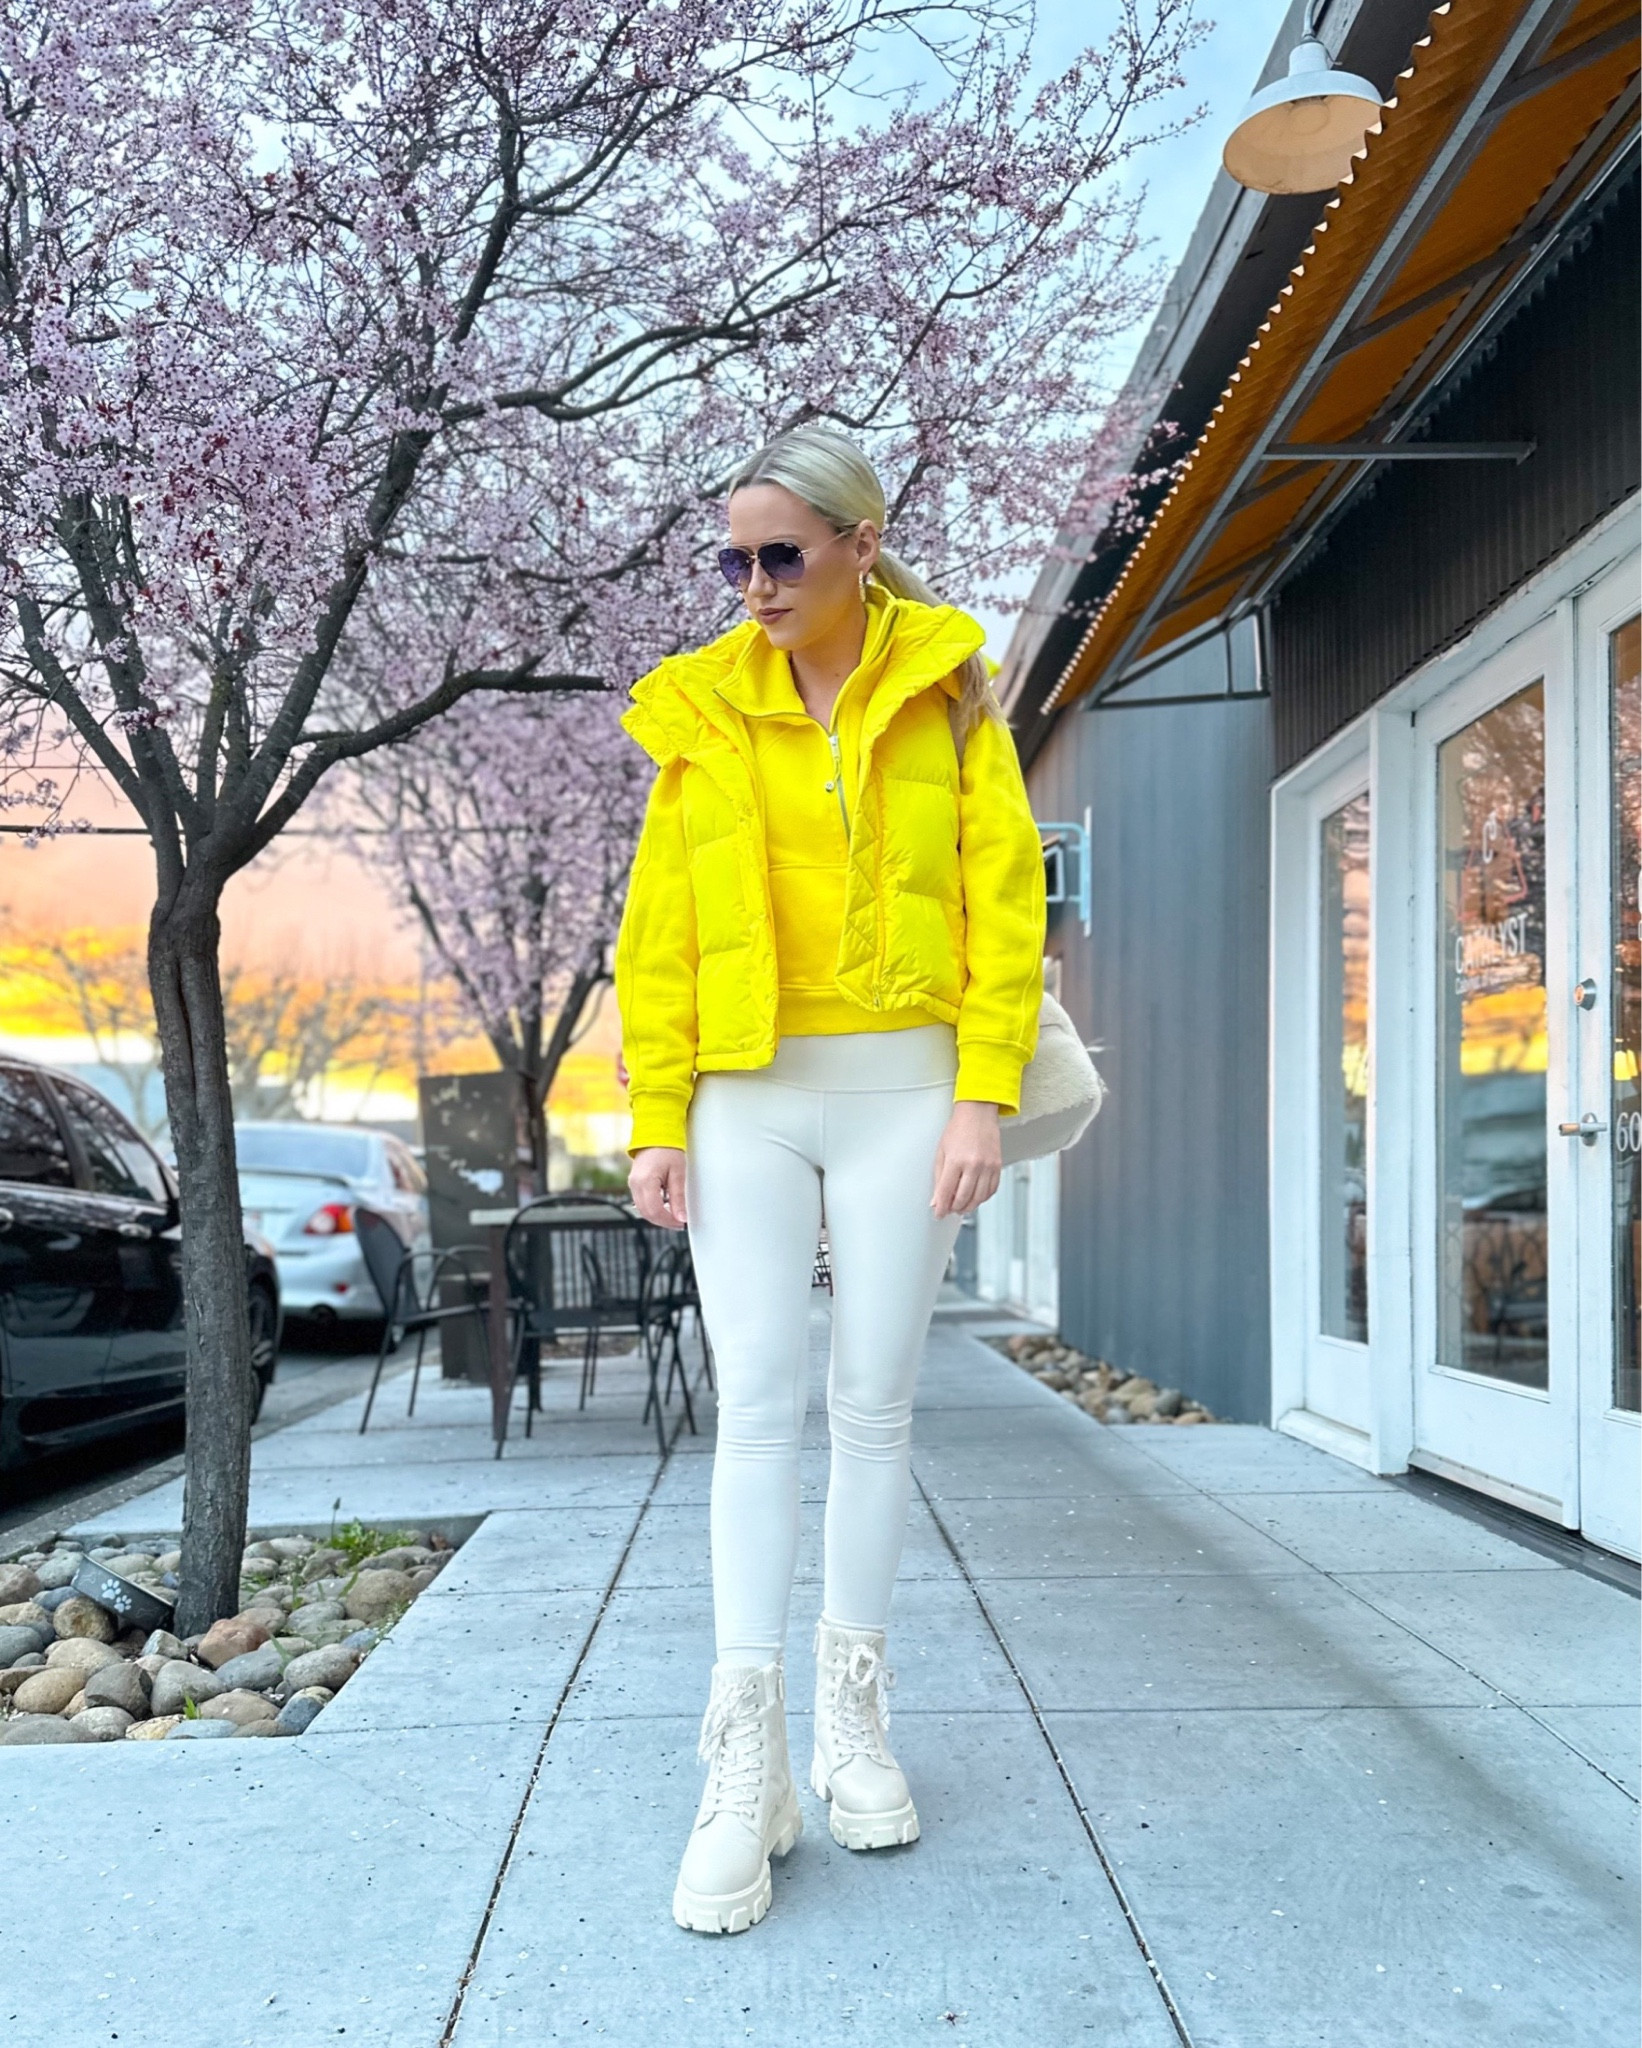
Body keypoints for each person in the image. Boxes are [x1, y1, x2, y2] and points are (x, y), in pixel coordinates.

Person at [615, 426, 1045, 1935]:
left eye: (777, 556)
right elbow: (655, 932)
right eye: (730, 559)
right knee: (756, 1411)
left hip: (905, 1090)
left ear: (861, 545)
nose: (750, 585)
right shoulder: (696, 712)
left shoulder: (948, 696)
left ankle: (850, 1719)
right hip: (744, 1092)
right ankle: (744, 1763)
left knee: (873, 1410)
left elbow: (1006, 901)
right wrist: (654, 1115)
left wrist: (981, 1093)